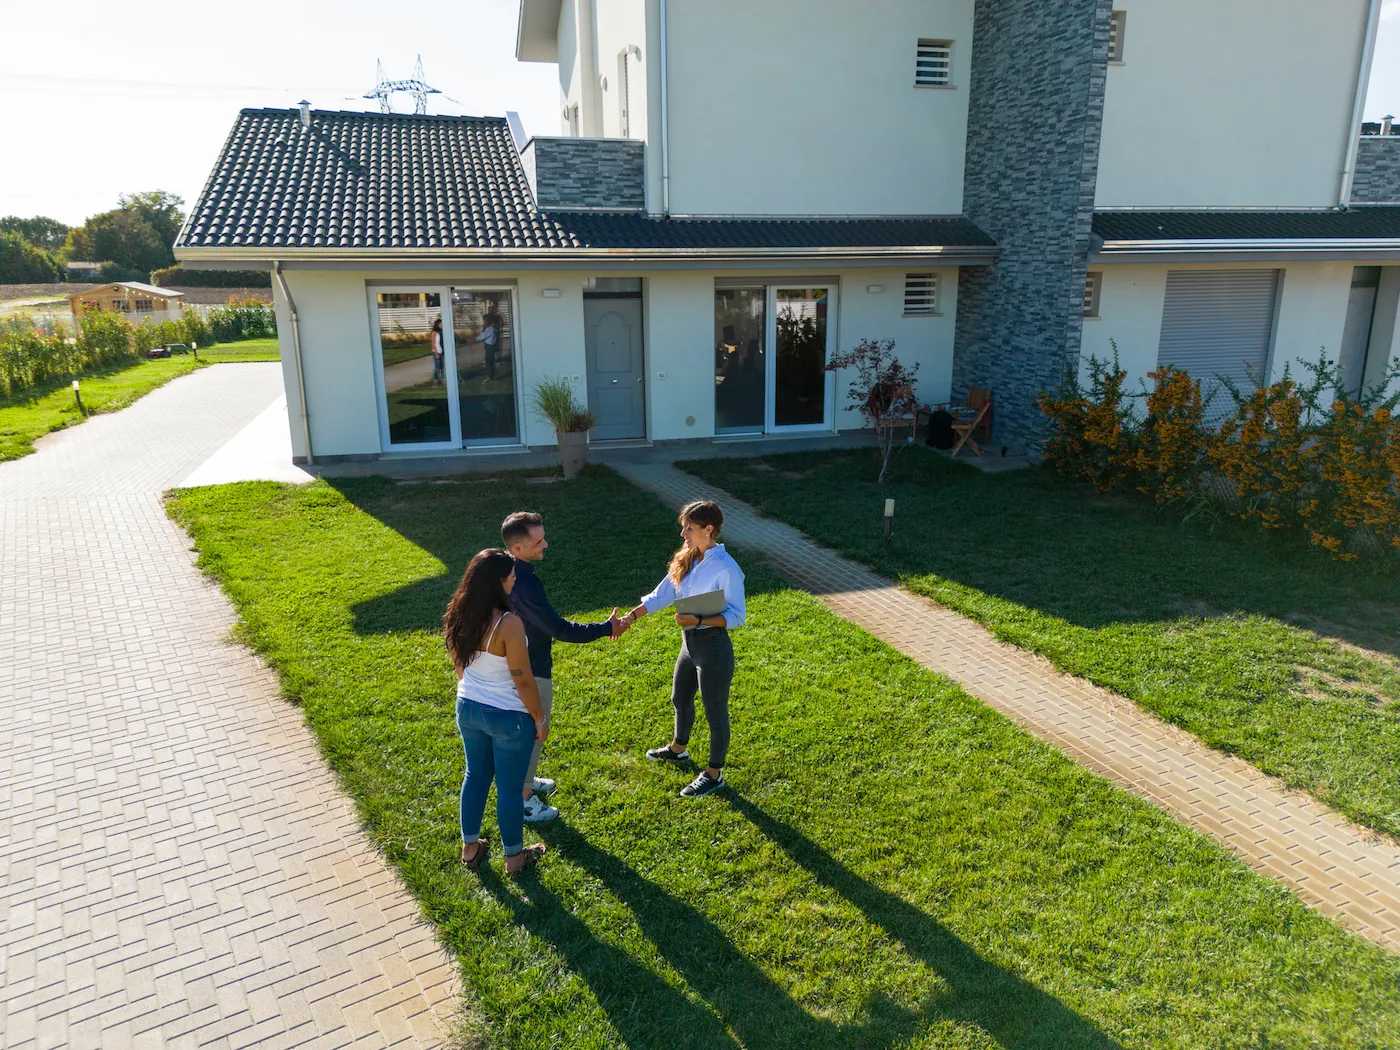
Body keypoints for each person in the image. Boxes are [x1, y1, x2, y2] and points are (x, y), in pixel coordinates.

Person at [620, 500, 746, 799]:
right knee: (679, 697)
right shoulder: (688, 558)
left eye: (689, 528)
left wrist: (698, 619)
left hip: (713, 647)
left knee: (715, 712)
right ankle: (678, 749)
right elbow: (662, 594)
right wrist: (631, 616)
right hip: (689, 645)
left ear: (708, 529)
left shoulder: (726, 568)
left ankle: (714, 774)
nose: (683, 534)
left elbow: (737, 616)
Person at [502, 512, 622, 822]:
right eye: (538, 541)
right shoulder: (524, 583)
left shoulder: (507, 570)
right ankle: (524, 798)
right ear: (517, 547)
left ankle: (525, 782)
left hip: (516, 663)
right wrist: (607, 627)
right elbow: (561, 629)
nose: (546, 544)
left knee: (526, 731)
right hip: (531, 668)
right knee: (535, 731)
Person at [443, 549, 548, 876]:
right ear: (498, 582)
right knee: (510, 788)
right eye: (511, 575)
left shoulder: (459, 612)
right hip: (508, 717)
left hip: (468, 708)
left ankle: (470, 848)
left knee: (475, 775)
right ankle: (514, 858)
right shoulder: (509, 623)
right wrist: (540, 719)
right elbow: (523, 679)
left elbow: (458, 662)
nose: (516, 578)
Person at [481, 301, 503, 383]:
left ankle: (489, 375)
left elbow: (501, 324)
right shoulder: (496, 318)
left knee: (488, 358)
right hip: (493, 338)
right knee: (491, 356)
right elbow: (501, 324)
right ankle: (491, 374)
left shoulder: (491, 319)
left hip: (490, 339)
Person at [429, 318, 445, 385]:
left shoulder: (442, 331)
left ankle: (443, 380)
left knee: (443, 366)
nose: (442, 325)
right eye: (441, 324)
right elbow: (433, 343)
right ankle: (435, 380)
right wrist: (436, 353)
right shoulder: (434, 333)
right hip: (437, 351)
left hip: (442, 351)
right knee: (437, 366)